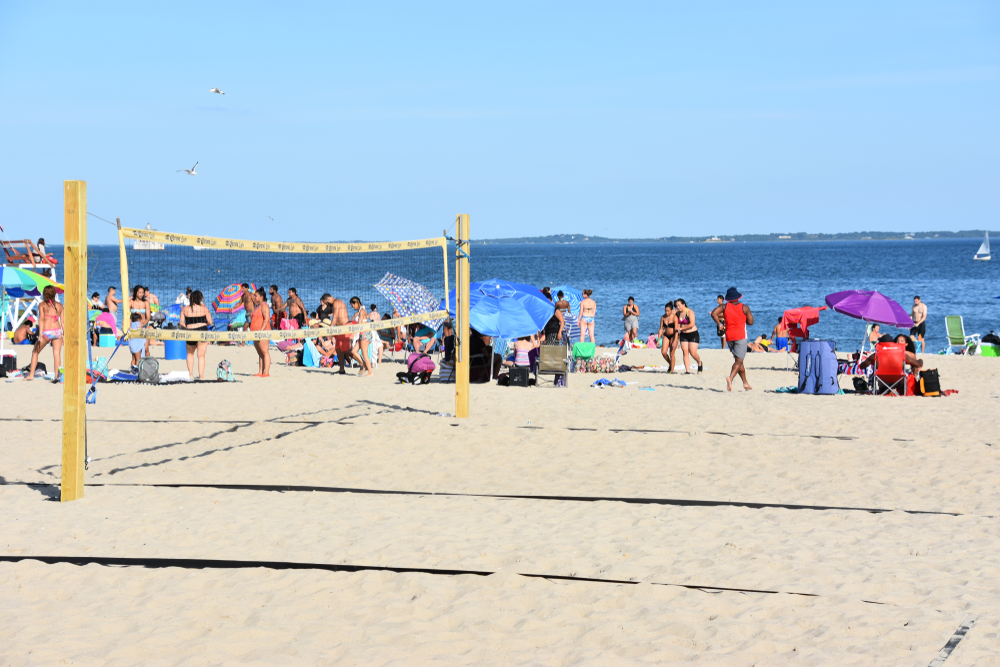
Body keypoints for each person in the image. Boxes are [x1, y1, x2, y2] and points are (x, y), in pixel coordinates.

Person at [711, 287, 753, 391]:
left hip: (729, 337)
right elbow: (751, 322)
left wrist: (719, 323)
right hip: (740, 336)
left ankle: (745, 383)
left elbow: (713, 313)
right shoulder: (745, 307)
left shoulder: (724, 307)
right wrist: (745, 319)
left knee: (738, 361)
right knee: (739, 361)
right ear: (738, 297)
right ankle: (730, 378)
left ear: (728, 298)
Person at [26, 285, 63, 381]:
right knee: (57, 354)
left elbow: (41, 319)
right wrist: (64, 333)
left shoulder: (42, 305)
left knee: (35, 352)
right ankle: (57, 376)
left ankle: (31, 375)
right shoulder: (60, 305)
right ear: (54, 293)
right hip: (58, 331)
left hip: (47, 331)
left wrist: (40, 334)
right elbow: (63, 321)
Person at [180, 289, 213, 380]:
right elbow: (210, 322)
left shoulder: (185, 309)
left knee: (190, 354)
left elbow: (181, 323)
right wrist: (203, 324)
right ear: (200, 299)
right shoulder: (204, 309)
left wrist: (189, 326)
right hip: (202, 331)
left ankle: (190, 375)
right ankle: (201, 376)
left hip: (190, 331)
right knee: (201, 356)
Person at [674, 298, 702, 374]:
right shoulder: (678, 313)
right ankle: (687, 371)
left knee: (693, 353)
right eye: (677, 306)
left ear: (683, 304)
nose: (678, 307)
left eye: (679, 305)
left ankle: (699, 363)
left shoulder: (689, 312)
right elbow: (676, 324)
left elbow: (692, 324)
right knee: (685, 352)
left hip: (693, 334)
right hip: (683, 335)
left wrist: (681, 328)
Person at [348, 296, 374, 377]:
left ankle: (370, 372)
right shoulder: (360, 311)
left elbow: (359, 324)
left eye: (353, 305)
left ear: (356, 303)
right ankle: (364, 366)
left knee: (364, 354)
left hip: (365, 334)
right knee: (353, 351)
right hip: (363, 334)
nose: (352, 307)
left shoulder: (362, 311)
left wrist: (353, 334)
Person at [249, 287, 271, 377]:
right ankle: (260, 372)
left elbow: (266, 319)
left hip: (263, 332)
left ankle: (266, 373)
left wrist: (261, 330)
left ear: (261, 297)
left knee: (265, 351)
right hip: (255, 333)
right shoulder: (258, 306)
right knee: (260, 353)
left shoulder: (265, 305)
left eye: (256, 296)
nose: (254, 297)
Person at [657, 302, 678, 371]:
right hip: (666, 335)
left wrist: (675, 340)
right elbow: (661, 329)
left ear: (671, 310)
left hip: (673, 336)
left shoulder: (674, 318)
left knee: (672, 353)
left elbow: (676, 330)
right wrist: (658, 339)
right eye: (665, 311)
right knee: (663, 352)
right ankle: (670, 363)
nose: (666, 312)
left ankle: (671, 370)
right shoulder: (663, 317)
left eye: (668, 311)